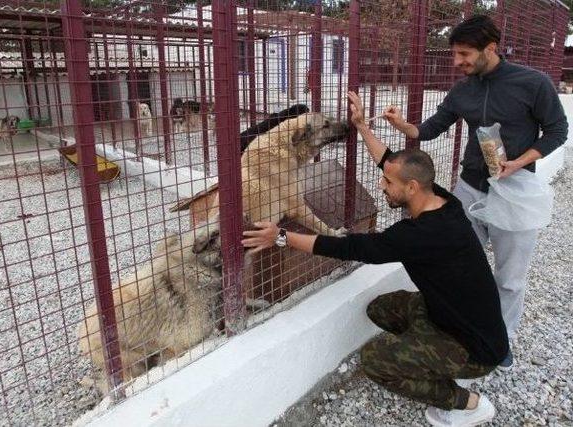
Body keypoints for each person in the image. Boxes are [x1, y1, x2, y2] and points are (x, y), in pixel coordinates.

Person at [242, 91, 509, 427]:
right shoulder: (442, 201)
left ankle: (467, 403)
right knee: (380, 309)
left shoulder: (416, 236)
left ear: (411, 188)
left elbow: (348, 248)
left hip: (477, 347)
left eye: (387, 183)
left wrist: (280, 236)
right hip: (458, 318)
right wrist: (361, 126)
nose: (381, 185)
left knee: (375, 360)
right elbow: (391, 162)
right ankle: (432, 356)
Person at [381, 15, 568, 369]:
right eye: (455, 54)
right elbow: (430, 130)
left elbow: (558, 130)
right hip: (470, 187)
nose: (457, 62)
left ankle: (502, 341)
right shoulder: (462, 90)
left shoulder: (533, 83)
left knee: (510, 276)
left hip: (515, 189)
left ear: (491, 49)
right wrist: (402, 125)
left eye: (465, 54)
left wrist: (519, 161)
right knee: (459, 264)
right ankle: (460, 329)